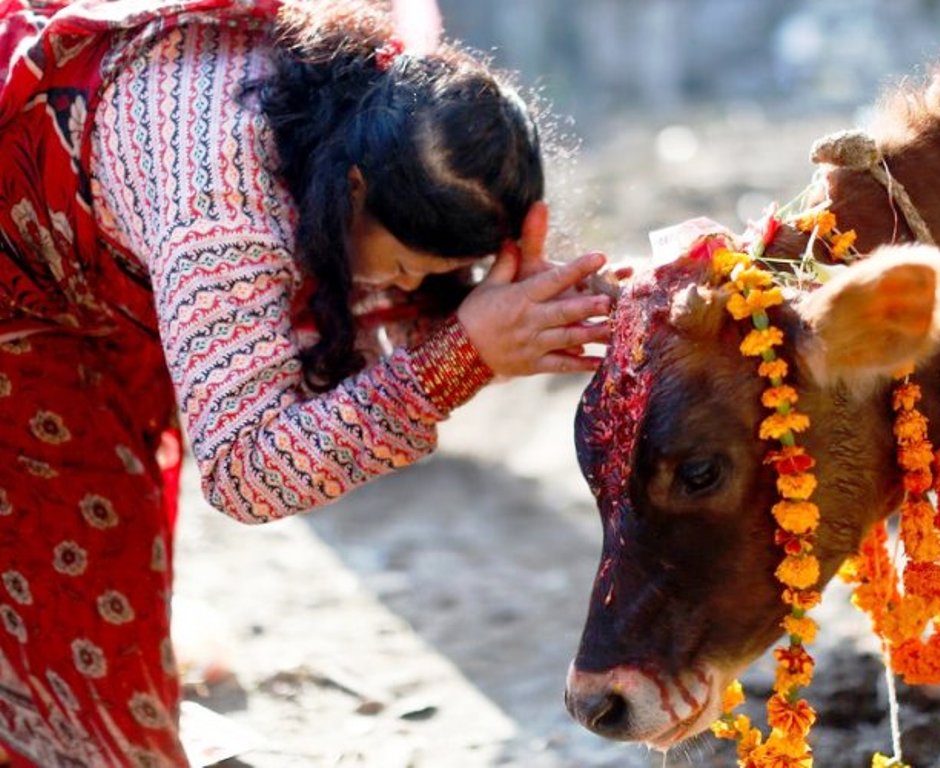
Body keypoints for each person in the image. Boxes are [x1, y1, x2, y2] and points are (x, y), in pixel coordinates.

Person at [0, 0, 615, 765]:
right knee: (79, 660)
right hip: (20, 319)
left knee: (102, 608)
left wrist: (508, 306)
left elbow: (368, 311)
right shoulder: (222, 210)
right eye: (401, 267)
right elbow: (247, 469)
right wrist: (463, 358)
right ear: (351, 189)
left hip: (93, 280)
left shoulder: (382, 98)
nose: (406, 288)